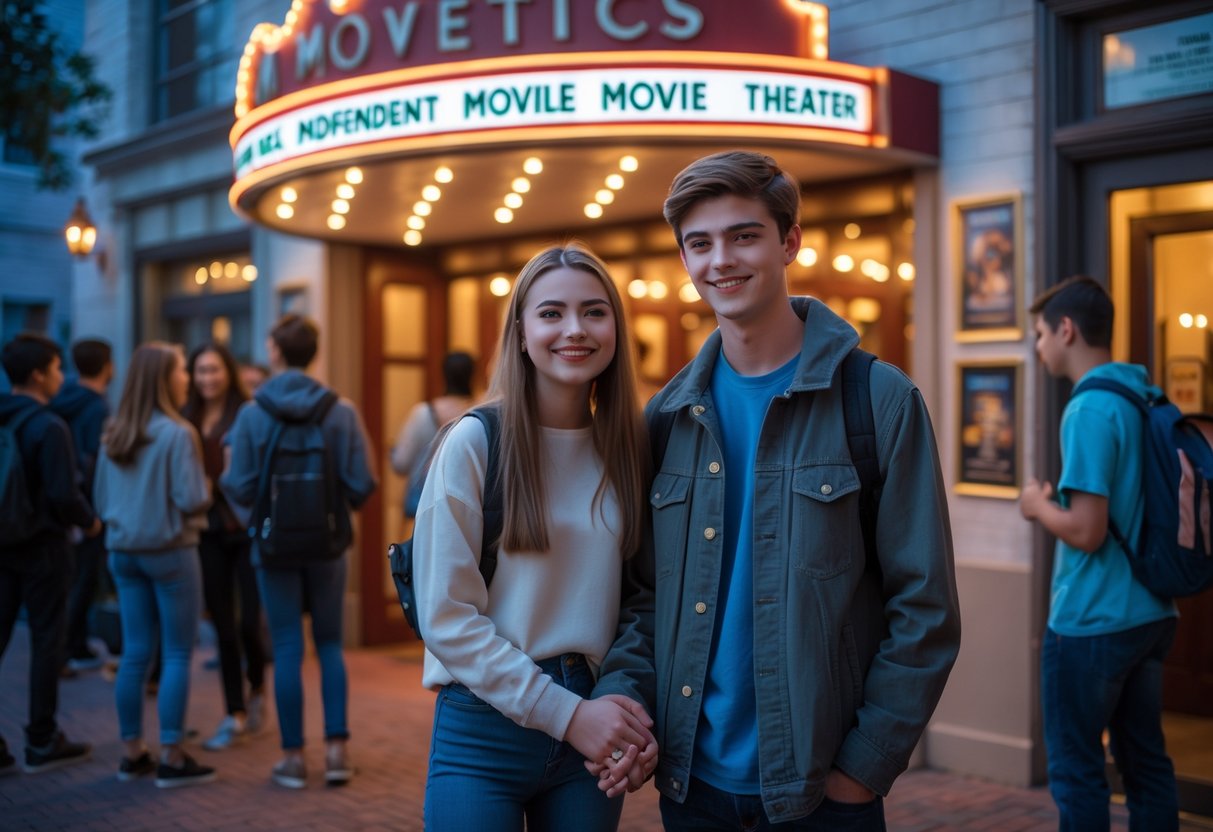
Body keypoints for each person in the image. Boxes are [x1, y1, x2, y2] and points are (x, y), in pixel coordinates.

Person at [590, 150, 961, 830]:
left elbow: (925, 608)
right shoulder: (666, 418)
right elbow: (639, 600)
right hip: (691, 788)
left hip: (821, 793)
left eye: (743, 235)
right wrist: (627, 703)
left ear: (789, 241)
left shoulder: (876, 400)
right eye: (698, 244)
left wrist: (862, 769)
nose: (719, 260)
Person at [414, 245, 655, 831]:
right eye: (551, 313)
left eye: (594, 312)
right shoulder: (473, 442)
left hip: (592, 719)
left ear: (616, 330)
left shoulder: (628, 449)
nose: (574, 329)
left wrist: (633, 710)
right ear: (521, 332)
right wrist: (567, 714)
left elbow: (642, 600)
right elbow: (446, 617)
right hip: (484, 725)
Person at [1019, 275, 1178, 831]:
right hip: (1153, 611)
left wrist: (1037, 506)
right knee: (1147, 766)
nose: (1038, 347)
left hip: (1091, 620)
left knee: (1078, 772)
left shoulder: (1088, 408)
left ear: (1066, 329)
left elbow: (1086, 531)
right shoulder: (1145, 394)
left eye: (1040, 334)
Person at [221, 314, 377, 790]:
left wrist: (260, 521)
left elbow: (237, 483)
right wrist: (332, 510)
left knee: (287, 646)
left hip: (273, 545)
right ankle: (336, 752)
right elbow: (362, 482)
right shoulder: (341, 410)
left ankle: (291, 759)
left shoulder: (252, 413)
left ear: (274, 351)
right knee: (329, 644)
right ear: (314, 352)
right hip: (329, 544)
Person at [93, 342, 214, 788]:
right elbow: (191, 498)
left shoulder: (114, 431)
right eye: (183, 369)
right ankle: (172, 754)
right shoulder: (179, 433)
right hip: (170, 550)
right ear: (165, 378)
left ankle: (131, 753)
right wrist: (207, 482)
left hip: (122, 553)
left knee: (135, 653)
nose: (187, 377)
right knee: (178, 652)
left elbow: (101, 501)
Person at [0, 333, 100, 775]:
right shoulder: (49, 426)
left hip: (2, 546)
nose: (64, 376)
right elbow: (64, 495)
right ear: (39, 374)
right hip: (43, 548)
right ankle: (41, 739)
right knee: (47, 643)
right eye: (59, 368)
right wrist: (91, 520)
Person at [182, 343, 269, 751]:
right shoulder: (186, 416)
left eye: (214, 370)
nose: (207, 379)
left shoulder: (246, 411)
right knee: (222, 624)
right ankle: (233, 711)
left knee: (249, 621)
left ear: (228, 372)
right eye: (200, 371)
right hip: (207, 530)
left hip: (245, 526)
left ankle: (256, 687)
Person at [50, 338, 114, 674]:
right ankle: (68, 647)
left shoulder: (58, 400)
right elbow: (95, 460)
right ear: (108, 366)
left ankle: (70, 645)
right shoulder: (98, 407)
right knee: (83, 577)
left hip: (59, 499)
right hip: (86, 504)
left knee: (71, 577)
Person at [390, 351, 475, 525]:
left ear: (443, 375)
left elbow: (400, 463)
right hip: (469, 509)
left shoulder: (422, 414)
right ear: (473, 375)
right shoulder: (481, 414)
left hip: (425, 509)